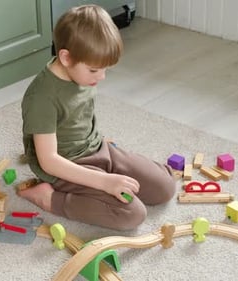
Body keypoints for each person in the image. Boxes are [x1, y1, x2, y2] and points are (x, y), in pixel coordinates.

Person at [18, 4, 176, 230]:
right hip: (64, 165)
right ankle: (51, 199)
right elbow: (49, 161)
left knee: (165, 188)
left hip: (97, 149)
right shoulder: (41, 97)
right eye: (94, 70)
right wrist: (103, 181)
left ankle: (107, 172)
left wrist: (106, 163)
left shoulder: (83, 74)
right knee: (131, 214)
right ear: (65, 57)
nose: (101, 77)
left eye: (105, 70)